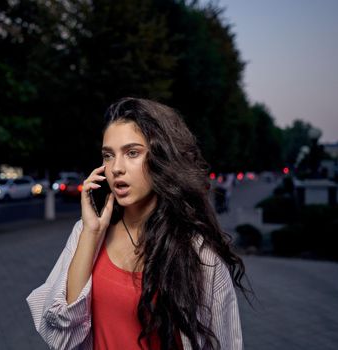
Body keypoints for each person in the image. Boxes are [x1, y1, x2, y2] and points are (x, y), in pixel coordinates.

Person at [27, 97, 249, 350]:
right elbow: (62, 331)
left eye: (132, 153)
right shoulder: (87, 233)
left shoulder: (197, 253)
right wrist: (90, 232)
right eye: (108, 156)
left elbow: (225, 344)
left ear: (161, 158)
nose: (116, 168)